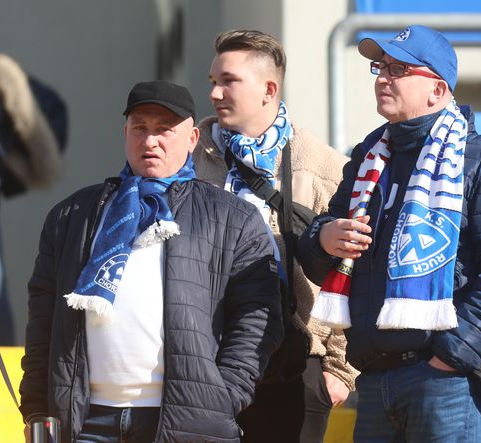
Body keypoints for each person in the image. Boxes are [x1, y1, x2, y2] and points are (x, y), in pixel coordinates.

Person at [298, 25, 481, 442]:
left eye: (398, 69)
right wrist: (323, 238)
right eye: (380, 67)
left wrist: (452, 355)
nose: (382, 77)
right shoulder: (368, 160)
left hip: (447, 381)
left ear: (438, 89)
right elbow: (321, 252)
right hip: (374, 377)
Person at [18, 80, 284, 443]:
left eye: (164, 130)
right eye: (140, 128)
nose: (150, 141)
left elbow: (256, 317)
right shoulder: (73, 215)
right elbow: (43, 318)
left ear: (192, 139)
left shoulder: (232, 218)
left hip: (186, 422)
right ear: (125, 133)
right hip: (84, 421)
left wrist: (221, 397)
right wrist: (36, 406)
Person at [193, 29, 357, 443]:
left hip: (295, 364)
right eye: (213, 81)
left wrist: (337, 371)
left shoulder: (325, 168)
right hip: (201, 358)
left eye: (228, 81)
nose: (214, 93)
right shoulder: (186, 155)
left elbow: (352, 269)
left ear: (269, 89)